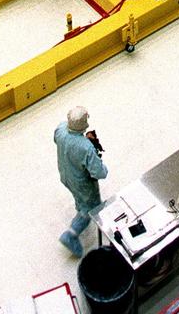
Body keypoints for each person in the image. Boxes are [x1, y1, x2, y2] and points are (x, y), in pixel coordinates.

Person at [54, 105, 108, 258]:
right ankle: (71, 234)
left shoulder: (60, 129)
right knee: (91, 207)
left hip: (66, 175)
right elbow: (99, 172)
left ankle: (80, 205)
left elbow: (56, 141)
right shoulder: (86, 147)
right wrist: (102, 165)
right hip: (82, 182)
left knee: (79, 197)